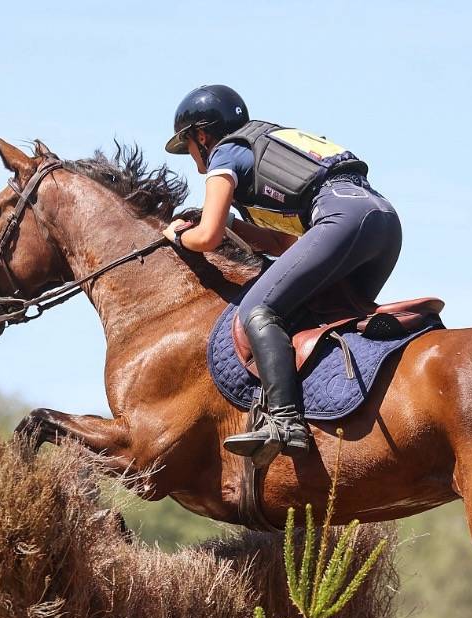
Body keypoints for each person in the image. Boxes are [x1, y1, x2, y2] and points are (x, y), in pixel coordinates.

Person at [163, 85, 402, 465]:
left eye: (189, 146)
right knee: (320, 313)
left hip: (340, 220)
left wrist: (178, 234)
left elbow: (206, 236)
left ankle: (284, 421)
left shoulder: (225, 151)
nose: (193, 160)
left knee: (258, 309)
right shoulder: (270, 142)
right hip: (383, 223)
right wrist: (234, 229)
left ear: (202, 136)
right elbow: (284, 245)